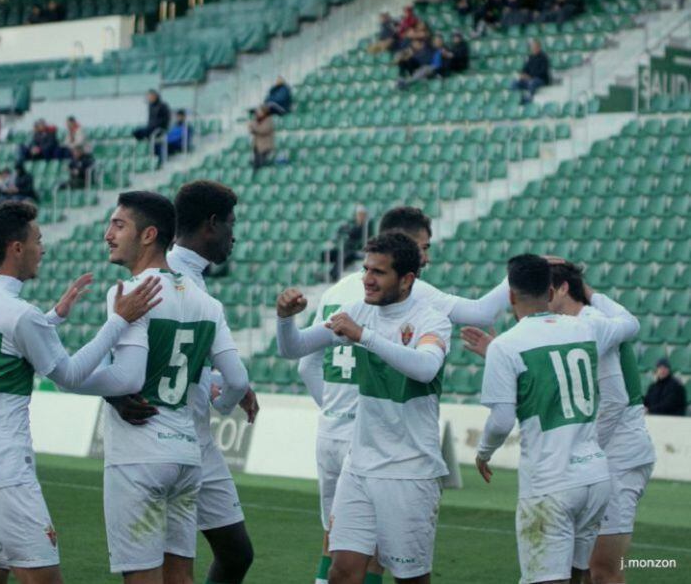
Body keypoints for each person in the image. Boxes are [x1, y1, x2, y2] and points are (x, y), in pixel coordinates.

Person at [0, 200, 161, 584]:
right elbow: (68, 375)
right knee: (45, 579)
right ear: (17, 248)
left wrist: (53, 318)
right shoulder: (19, 314)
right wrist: (118, 321)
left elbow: (7, 347)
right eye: (38, 239)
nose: (42, 249)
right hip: (4, 470)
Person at [298, 207, 510, 584]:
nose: (427, 256)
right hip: (372, 443)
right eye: (423, 247)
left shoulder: (337, 290)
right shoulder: (406, 292)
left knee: (340, 551)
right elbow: (479, 311)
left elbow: (304, 364)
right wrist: (521, 276)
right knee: (363, 559)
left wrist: (331, 406)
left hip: (337, 431)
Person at [463, 259, 656, 584]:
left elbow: (501, 421)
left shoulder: (523, 339)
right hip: (594, 474)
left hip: (557, 476)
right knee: (581, 573)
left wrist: (483, 452)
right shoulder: (584, 328)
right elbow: (629, 324)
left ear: (511, 297)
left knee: (587, 574)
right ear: (550, 290)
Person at [278, 232, 452, 584]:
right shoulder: (358, 311)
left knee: (410, 578)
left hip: (409, 469)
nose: (367, 280)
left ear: (406, 280)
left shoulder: (432, 320)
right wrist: (285, 319)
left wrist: (365, 337)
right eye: (366, 269)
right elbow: (294, 349)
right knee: (343, 570)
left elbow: (425, 367)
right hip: (359, 466)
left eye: (379, 272)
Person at [109, 181, 258, 584]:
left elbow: (184, 354)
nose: (234, 234)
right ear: (211, 225)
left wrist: (222, 382)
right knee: (168, 567)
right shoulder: (165, 275)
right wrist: (114, 395)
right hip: (168, 435)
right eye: (230, 224)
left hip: (195, 442)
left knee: (236, 552)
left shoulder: (194, 281)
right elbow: (126, 352)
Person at [323, 205, 371, 281]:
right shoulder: (354, 225)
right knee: (330, 253)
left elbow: (358, 237)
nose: (359, 216)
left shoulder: (367, 227)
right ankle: (325, 273)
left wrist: (348, 232)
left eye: (361, 214)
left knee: (345, 254)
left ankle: (333, 274)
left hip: (358, 251)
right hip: (348, 249)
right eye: (358, 214)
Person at [512, 39, 551, 104]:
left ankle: (528, 99)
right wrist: (522, 74)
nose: (533, 49)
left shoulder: (544, 57)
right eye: (532, 47)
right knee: (514, 83)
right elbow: (525, 68)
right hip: (529, 79)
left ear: (539, 47)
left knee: (532, 82)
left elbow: (543, 72)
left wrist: (530, 77)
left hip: (541, 79)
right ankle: (519, 98)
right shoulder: (531, 57)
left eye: (535, 47)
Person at [249, 104, 275, 170]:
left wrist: (254, 126)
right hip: (257, 147)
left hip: (265, 147)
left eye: (259, 111)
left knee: (262, 166)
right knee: (256, 166)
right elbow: (251, 129)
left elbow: (263, 130)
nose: (257, 113)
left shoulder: (269, 120)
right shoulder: (257, 120)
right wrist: (254, 126)